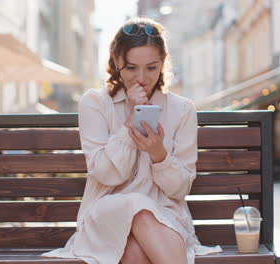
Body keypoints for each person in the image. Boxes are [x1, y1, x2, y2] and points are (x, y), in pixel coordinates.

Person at [41, 17, 221, 264]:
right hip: (105, 214)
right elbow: (105, 175)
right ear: (116, 61)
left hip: (164, 216)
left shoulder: (182, 110)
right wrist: (129, 125)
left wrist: (159, 154)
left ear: (163, 62)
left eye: (151, 67)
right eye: (131, 68)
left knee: (135, 251)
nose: (142, 78)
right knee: (136, 205)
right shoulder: (95, 103)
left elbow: (180, 189)